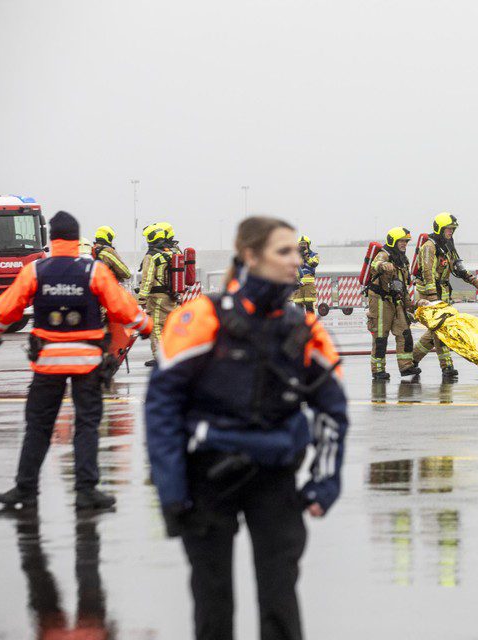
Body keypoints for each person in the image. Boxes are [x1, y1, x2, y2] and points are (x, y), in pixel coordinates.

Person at [145, 216, 349, 640]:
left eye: (296, 250)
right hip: (206, 479)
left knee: (280, 600)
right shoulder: (200, 317)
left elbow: (332, 408)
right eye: (284, 251)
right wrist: (171, 490)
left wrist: (325, 481)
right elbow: (162, 407)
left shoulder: (302, 327)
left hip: (275, 480)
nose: (296, 260)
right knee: (212, 601)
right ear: (251, 257)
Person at [0, 211, 152, 510]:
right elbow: (122, 307)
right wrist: (145, 326)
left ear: (52, 238)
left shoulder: (35, 270)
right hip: (87, 363)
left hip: (47, 364)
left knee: (38, 426)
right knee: (87, 425)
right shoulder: (93, 270)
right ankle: (86, 491)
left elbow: (6, 308)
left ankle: (25, 490)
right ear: (77, 239)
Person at [411, 212, 478, 381]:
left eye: (453, 229)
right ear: (440, 229)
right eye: (448, 229)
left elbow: (458, 267)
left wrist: (474, 281)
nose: (451, 232)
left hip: (442, 292)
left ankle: (412, 360)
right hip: (429, 293)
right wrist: (433, 298)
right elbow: (428, 272)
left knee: (437, 329)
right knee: (441, 329)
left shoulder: (448, 246)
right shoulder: (429, 247)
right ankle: (447, 366)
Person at [367, 227, 421, 380]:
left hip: (396, 301)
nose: (404, 244)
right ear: (393, 241)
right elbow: (374, 265)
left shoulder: (403, 260)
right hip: (380, 300)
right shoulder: (384, 254)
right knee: (380, 336)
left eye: (406, 241)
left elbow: (403, 284)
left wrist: (409, 303)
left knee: (404, 333)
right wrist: (382, 265)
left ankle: (406, 367)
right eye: (402, 241)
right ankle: (378, 370)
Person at [138, 224, 177, 367]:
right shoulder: (172, 253)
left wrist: (142, 297)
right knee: (169, 325)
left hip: (157, 297)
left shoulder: (152, 255)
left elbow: (147, 279)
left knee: (155, 327)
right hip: (171, 296)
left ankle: (161, 356)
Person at [291, 235, 319, 313]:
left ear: (308, 244)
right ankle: (299, 324)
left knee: (309, 306)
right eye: (301, 244)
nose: (303, 246)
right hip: (297, 284)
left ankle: (310, 324)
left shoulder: (314, 255)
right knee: (298, 306)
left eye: (304, 244)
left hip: (309, 285)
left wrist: (306, 256)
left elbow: (314, 263)